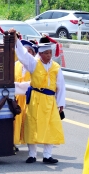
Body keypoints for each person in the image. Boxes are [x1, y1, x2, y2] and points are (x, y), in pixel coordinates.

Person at [11, 28, 65, 164]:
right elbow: (23, 55)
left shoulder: (56, 67)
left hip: (49, 101)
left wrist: (61, 104)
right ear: (40, 53)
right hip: (35, 98)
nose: (48, 55)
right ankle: (32, 155)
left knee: (50, 126)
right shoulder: (34, 64)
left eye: (50, 52)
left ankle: (47, 155)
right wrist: (16, 40)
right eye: (45, 53)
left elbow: (61, 87)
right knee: (32, 126)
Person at [13, 39, 38, 152]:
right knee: (14, 122)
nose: (28, 53)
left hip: (29, 98)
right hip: (17, 98)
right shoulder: (15, 65)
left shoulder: (35, 66)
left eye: (30, 52)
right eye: (25, 51)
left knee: (29, 123)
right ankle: (13, 142)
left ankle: (31, 149)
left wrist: (18, 86)